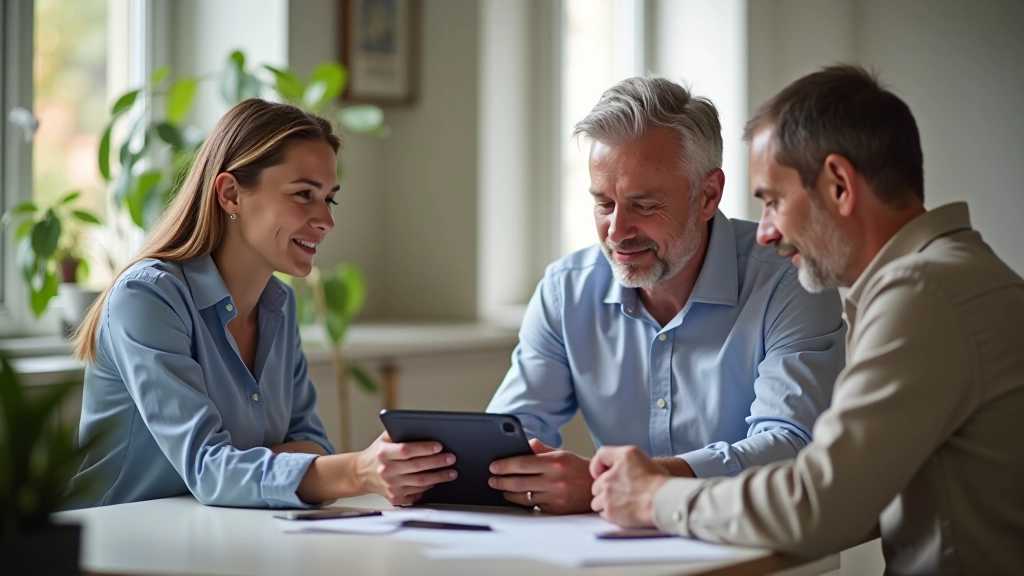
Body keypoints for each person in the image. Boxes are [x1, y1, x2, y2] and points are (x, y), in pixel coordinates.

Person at [590, 65, 1024, 575]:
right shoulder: (961, 276)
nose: (765, 233)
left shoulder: (923, 294)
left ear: (839, 185)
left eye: (773, 201)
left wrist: (655, 496)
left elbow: (819, 502)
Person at [65, 99, 456, 509]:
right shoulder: (147, 298)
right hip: (114, 538)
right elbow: (209, 469)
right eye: (304, 194)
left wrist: (244, 471)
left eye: (329, 199)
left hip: (223, 532)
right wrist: (357, 470)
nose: (326, 221)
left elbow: (313, 444)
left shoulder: (280, 306)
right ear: (231, 194)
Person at [485, 77, 846, 514]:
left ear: (708, 195)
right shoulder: (566, 291)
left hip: (753, 541)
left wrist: (629, 485)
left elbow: (791, 446)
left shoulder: (790, 280)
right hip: (614, 544)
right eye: (604, 204)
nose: (617, 232)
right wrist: (450, 467)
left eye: (644, 205)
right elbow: (509, 433)